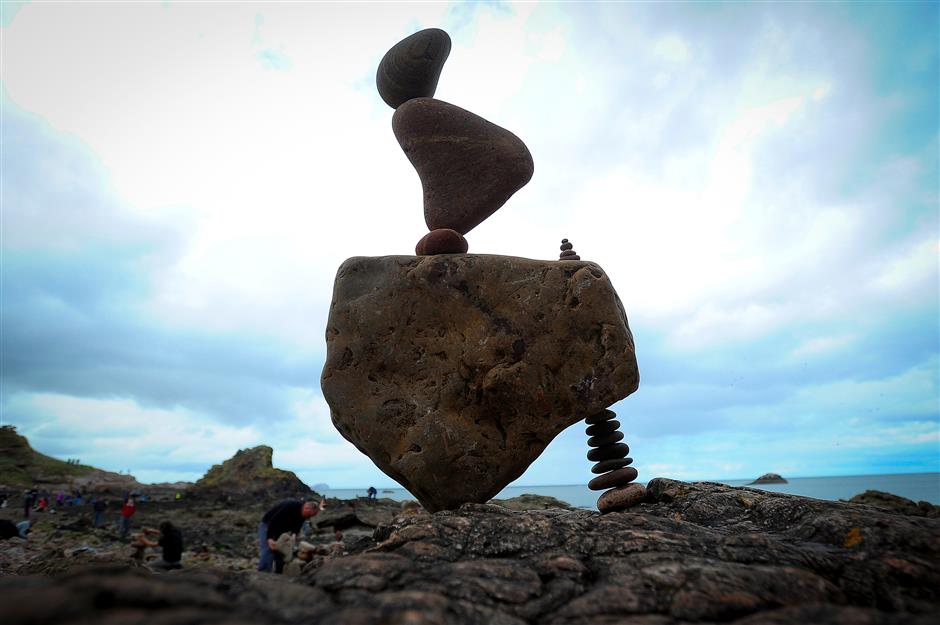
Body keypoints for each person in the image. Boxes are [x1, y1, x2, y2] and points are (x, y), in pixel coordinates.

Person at [258, 499, 325, 574]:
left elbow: (298, 525)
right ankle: (263, 573)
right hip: (268, 525)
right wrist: (269, 538)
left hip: (280, 530)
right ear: (306, 508)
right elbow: (273, 521)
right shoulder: (291, 505)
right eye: (309, 515)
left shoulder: (303, 514)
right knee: (268, 549)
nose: (309, 518)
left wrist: (294, 534)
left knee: (281, 551)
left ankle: (278, 574)